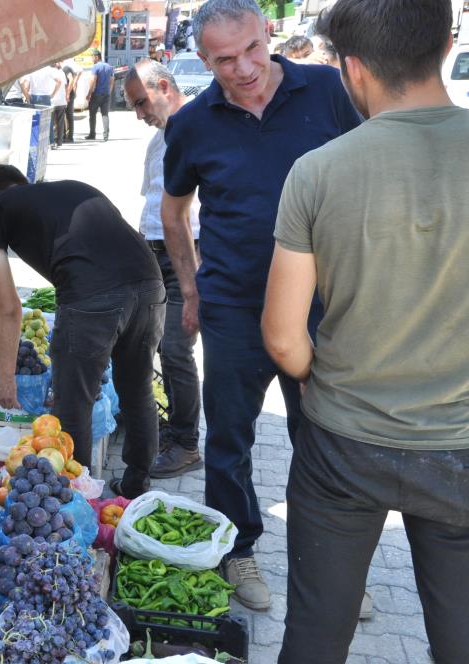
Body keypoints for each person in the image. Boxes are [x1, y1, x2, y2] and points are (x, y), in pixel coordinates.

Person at [262, 1, 468, 662]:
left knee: (316, 637)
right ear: (446, 42)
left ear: (351, 69)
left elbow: (283, 338)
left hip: (341, 445)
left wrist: (322, 378)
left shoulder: (318, 172)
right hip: (460, 446)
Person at [160, 0, 362, 611]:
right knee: (228, 440)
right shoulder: (192, 123)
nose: (244, 68)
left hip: (323, 307)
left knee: (325, 440)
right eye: (225, 59)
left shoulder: (328, 90)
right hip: (233, 309)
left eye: (252, 49)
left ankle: (329, 570)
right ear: (204, 60)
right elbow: (174, 212)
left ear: (267, 34)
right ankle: (237, 550)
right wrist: (191, 291)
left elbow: (368, 173)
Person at [0, 165, 165, 498]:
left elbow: (7, 305)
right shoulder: (74, 187)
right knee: (137, 389)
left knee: (73, 403)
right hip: (151, 284)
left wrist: (4, 375)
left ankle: (77, 499)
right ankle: (136, 485)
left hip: (92, 296)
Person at [124, 60, 203, 479]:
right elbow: (153, 202)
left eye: (141, 103)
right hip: (154, 254)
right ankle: (171, 427)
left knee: (175, 349)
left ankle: (187, 443)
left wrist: (193, 279)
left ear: (165, 87)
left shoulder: (197, 129)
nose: (139, 114)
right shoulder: (161, 138)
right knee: (158, 347)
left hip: (186, 258)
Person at [85, 50, 114, 141]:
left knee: (92, 114)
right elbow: (112, 80)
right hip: (106, 94)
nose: (92, 59)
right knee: (105, 114)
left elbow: (93, 80)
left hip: (96, 94)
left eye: (92, 57)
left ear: (97, 57)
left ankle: (92, 134)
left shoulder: (96, 67)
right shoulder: (109, 67)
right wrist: (109, 91)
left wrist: (89, 93)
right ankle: (106, 136)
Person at [50, 63, 69, 148]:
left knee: (51, 122)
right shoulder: (61, 72)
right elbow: (65, 85)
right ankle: (59, 141)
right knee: (60, 122)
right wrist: (66, 96)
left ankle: (52, 140)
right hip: (61, 100)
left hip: (52, 100)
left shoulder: (48, 72)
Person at [61, 60, 79, 142]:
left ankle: (69, 136)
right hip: (70, 94)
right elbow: (75, 79)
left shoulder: (65, 68)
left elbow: (71, 80)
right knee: (67, 115)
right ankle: (67, 136)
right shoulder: (67, 68)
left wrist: (67, 93)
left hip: (68, 95)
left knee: (68, 115)